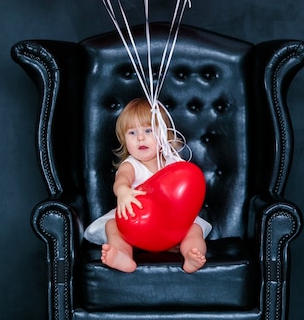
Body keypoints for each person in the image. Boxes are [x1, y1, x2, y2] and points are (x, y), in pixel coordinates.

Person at [84, 97, 212, 273]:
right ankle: (123, 254)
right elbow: (122, 180)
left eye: (148, 130)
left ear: (164, 134)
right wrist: (123, 192)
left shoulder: (173, 163)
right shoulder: (131, 164)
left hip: (171, 226)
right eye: (132, 133)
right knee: (112, 225)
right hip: (136, 228)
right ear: (124, 140)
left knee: (194, 229)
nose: (141, 138)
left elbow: (187, 188)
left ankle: (192, 254)